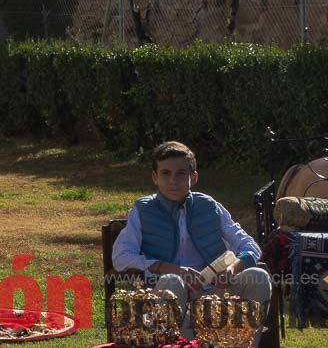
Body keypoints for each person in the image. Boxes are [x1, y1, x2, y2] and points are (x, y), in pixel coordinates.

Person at [112, 141, 272, 338]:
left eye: (181, 173)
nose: (173, 180)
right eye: (165, 173)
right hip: (163, 293)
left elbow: (249, 245)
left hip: (212, 292)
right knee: (172, 282)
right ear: (155, 177)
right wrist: (166, 268)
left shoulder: (210, 206)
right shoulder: (142, 210)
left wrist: (232, 268)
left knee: (259, 276)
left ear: (193, 177)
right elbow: (121, 256)